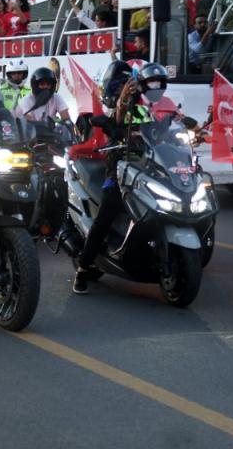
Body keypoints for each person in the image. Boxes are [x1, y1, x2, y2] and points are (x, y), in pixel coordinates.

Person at [73, 61, 164, 294]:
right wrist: (123, 98)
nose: (128, 87)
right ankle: (83, 268)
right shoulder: (111, 109)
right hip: (119, 173)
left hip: (147, 171)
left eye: (130, 84)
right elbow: (118, 119)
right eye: (123, 84)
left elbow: (160, 133)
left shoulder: (146, 109)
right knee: (106, 215)